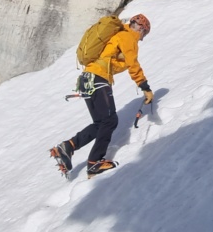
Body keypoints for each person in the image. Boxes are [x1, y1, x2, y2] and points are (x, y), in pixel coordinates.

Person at [51, 14, 153, 176]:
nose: (142, 38)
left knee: (101, 123)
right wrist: (144, 86)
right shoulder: (128, 37)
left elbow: (115, 62)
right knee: (110, 120)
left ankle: (68, 146)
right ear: (140, 28)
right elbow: (133, 64)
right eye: (144, 33)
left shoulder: (118, 35)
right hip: (98, 79)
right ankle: (94, 162)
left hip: (86, 79)